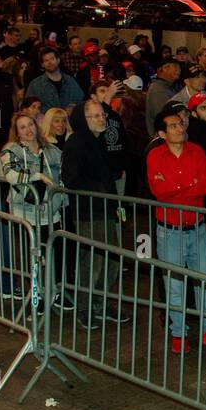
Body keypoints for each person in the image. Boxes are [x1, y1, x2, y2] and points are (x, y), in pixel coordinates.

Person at [146, 108, 206, 354]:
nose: (180, 128)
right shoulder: (155, 156)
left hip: (197, 227)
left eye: (181, 124)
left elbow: (205, 185)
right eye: (173, 126)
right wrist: (187, 185)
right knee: (174, 284)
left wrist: (176, 186)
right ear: (162, 133)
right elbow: (159, 191)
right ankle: (178, 333)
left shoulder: (197, 151)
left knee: (205, 280)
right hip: (169, 230)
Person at [60, 98, 129, 324]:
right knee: (93, 262)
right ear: (84, 119)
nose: (103, 120)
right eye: (97, 116)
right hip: (90, 213)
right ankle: (86, 307)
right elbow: (71, 179)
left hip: (105, 209)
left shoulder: (96, 141)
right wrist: (100, 189)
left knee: (111, 261)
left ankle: (100, 303)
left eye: (104, 115)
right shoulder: (77, 142)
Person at [25, 47, 84, 113]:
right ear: (42, 65)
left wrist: (74, 108)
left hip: (68, 122)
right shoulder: (35, 85)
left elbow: (81, 102)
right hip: (45, 122)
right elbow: (28, 107)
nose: (49, 62)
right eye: (46, 60)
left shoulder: (70, 81)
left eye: (52, 59)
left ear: (58, 60)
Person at [144, 59, 180, 132]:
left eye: (179, 68)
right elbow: (164, 120)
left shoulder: (171, 86)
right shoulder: (158, 90)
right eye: (176, 67)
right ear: (165, 68)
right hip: (165, 136)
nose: (179, 70)